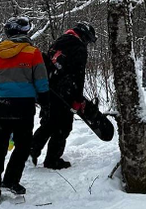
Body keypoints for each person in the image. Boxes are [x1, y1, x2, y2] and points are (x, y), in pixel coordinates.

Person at [0, 16, 49, 198]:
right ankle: (11, 180)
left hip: (1, 105)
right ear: (25, 32)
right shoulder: (33, 53)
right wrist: (45, 100)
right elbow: (41, 81)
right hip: (24, 106)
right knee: (23, 146)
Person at [32, 21, 97, 169]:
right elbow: (78, 75)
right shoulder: (78, 47)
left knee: (48, 124)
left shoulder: (59, 42)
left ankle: (31, 151)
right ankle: (52, 160)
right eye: (87, 40)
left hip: (48, 89)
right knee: (63, 126)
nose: (87, 43)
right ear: (84, 36)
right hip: (64, 93)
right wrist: (78, 99)